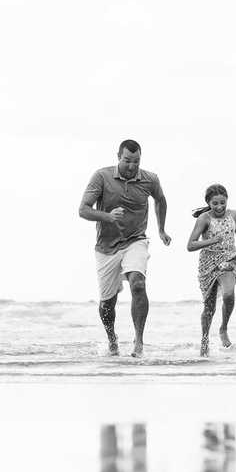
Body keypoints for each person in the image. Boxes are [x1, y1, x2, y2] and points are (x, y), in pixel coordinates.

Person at [78, 140, 171, 357]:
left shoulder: (150, 179)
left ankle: (139, 341)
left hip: (135, 240)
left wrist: (161, 229)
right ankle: (112, 339)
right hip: (106, 247)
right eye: (127, 160)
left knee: (138, 284)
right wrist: (107, 216)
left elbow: (160, 199)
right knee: (107, 303)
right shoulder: (102, 177)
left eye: (136, 161)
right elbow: (83, 210)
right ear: (118, 156)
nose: (131, 166)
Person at [187, 184, 236, 356]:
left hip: (227, 262)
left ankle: (223, 328)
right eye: (215, 203)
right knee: (209, 308)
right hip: (208, 264)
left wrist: (235, 259)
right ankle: (204, 339)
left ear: (227, 200)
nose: (220, 207)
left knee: (229, 294)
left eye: (223, 203)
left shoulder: (235, 215)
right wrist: (211, 241)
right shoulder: (204, 219)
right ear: (209, 203)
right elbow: (190, 245)